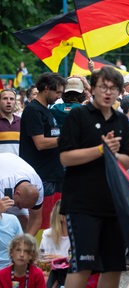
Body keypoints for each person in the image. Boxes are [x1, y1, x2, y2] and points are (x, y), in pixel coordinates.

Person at [59, 66, 129, 288]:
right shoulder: (78, 116)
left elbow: (127, 159)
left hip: (114, 203)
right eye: (103, 87)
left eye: (113, 88)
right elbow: (65, 158)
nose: (107, 92)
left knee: (114, 266)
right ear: (92, 89)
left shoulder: (121, 121)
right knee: (83, 264)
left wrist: (112, 154)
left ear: (120, 91)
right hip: (82, 203)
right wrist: (101, 150)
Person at [20, 72, 66, 235]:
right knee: (43, 224)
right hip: (41, 176)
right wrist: (66, 140)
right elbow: (39, 143)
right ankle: (37, 258)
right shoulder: (33, 110)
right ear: (46, 89)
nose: (59, 96)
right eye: (58, 92)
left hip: (54, 174)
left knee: (56, 224)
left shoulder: (47, 110)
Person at [0, 153, 43, 235]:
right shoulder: (2, 182)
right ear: (17, 193)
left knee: (25, 221)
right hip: (4, 174)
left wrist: (26, 242)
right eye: (19, 204)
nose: (20, 208)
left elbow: (36, 218)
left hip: (11, 166)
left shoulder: (38, 186)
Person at [39, 200, 70, 288]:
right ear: (61, 217)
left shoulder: (79, 236)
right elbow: (42, 258)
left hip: (70, 275)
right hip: (50, 276)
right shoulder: (47, 235)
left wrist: (60, 259)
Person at [0, 89, 21, 154]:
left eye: (11, 99)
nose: (8, 101)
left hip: (17, 163)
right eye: (5, 98)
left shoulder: (21, 122)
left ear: (15, 102)